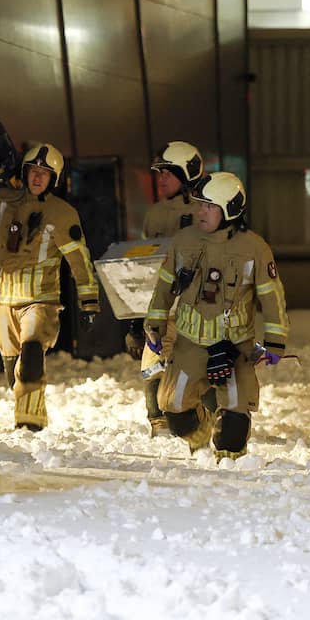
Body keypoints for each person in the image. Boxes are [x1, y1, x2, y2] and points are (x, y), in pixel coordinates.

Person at [0, 120, 100, 431]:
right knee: (13, 370)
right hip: (2, 299)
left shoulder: (63, 214)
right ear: (25, 173)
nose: (38, 177)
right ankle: (26, 409)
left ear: (54, 179)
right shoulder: (4, 201)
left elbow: (79, 258)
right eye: (33, 171)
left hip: (40, 300)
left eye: (45, 173)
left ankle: (30, 423)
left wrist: (89, 301)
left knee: (33, 353)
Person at [143, 172, 288, 458]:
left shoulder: (254, 248)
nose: (201, 211)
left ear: (230, 209)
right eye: (200, 204)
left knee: (233, 427)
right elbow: (164, 288)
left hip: (235, 347)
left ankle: (231, 464)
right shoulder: (183, 241)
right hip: (188, 345)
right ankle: (202, 434)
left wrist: (276, 341)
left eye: (209, 206)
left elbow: (272, 298)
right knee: (176, 415)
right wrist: (155, 325)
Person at [125, 141, 214, 437]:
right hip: (161, 311)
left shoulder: (207, 212)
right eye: (159, 173)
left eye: (168, 173)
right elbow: (144, 267)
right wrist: (137, 322)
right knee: (151, 368)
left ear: (188, 174)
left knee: (199, 375)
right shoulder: (154, 214)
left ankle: (214, 424)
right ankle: (159, 426)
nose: (161, 179)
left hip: (197, 313)